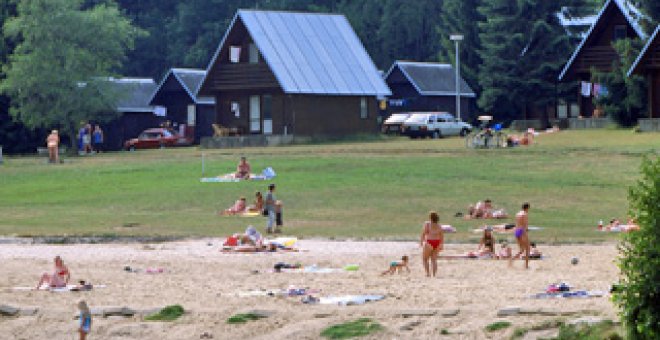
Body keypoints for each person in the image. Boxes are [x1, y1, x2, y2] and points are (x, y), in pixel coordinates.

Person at [420, 211, 444, 277]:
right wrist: (441, 244)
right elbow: (442, 236)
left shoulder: (427, 224)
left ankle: (428, 273)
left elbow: (423, 233)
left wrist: (421, 242)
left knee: (425, 259)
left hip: (429, 242)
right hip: (437, 242)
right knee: (434, 260)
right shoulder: (439, 226)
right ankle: (434, 274)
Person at [513, 203, 531, 269]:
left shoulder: (517, 214)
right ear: (527, 208)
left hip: (517, 230)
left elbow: (517, 223)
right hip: (522, 231)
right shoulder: (525, 214)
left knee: (521, 250)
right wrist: (526, 230)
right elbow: (525, 224)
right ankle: (526, 265)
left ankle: (512, 260)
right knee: (527, 248)